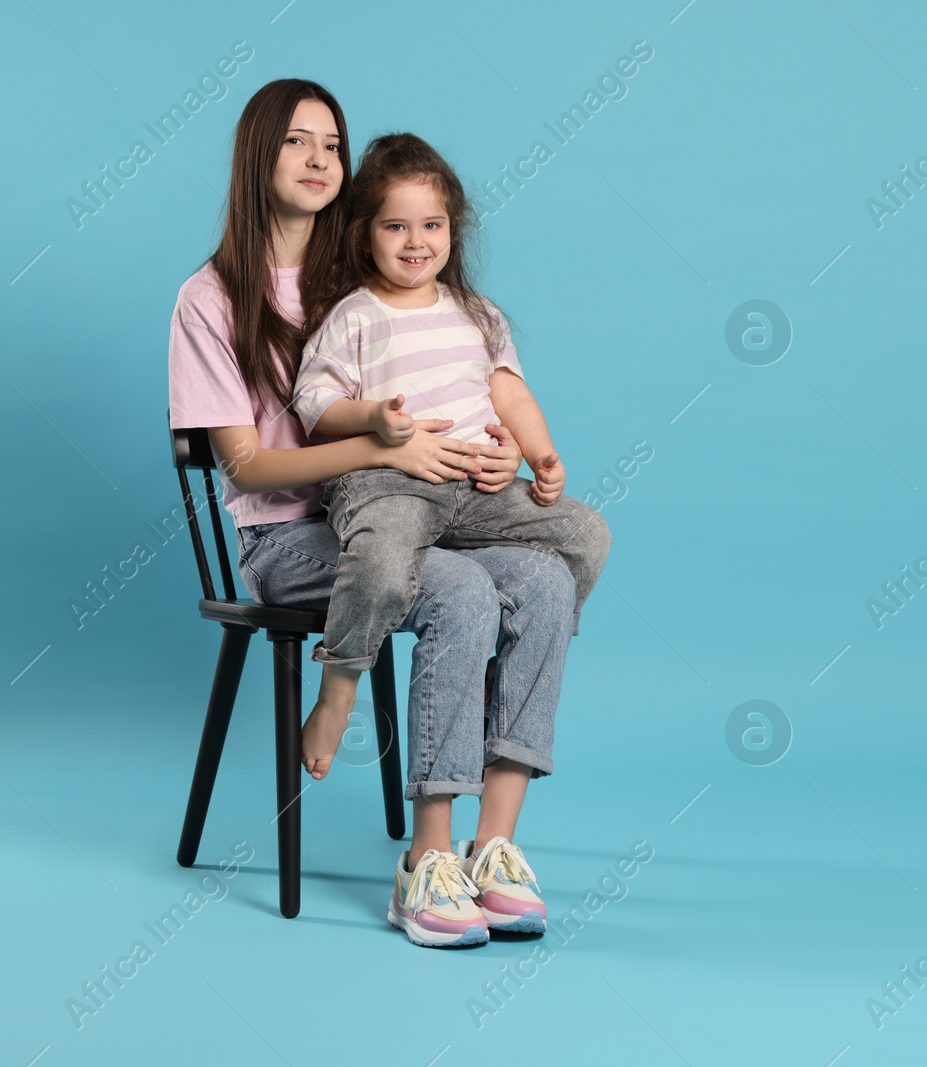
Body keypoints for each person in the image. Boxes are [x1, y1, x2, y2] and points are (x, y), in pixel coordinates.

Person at [167, 80, 605, 948]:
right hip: (291, 535)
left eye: (332, 143)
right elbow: (251, 460)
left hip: (434, 509)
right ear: (257, 156)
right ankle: (426, 861)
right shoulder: (213, 296)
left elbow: (484, 385)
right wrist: (386, 449)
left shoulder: (367, 266)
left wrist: (504, 452)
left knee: (551, 577)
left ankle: (495, 846)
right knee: (458, 592)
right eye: (297, 142)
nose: (320, 159)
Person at [288, 132, 609, 819]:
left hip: (475, 489)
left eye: (431, 225)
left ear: (452, 231)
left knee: (585, 532)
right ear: (364, 233)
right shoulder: (355, 316)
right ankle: (340, 683)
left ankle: (511, 662)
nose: (415, 241)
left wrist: (538, 455)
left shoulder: (477, 314)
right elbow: (315, 405)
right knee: (377, 558)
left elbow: (510, 392)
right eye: (395, 226)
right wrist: (374, 418)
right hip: (388, 484)